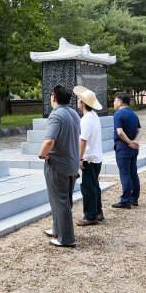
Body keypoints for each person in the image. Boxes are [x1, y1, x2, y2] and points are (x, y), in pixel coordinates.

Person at [39, 84, 81, 247]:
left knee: (60, 200)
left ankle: (66, 239)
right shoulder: (74, 114)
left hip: (58, 164)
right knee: (63, 199)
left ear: (53, 98)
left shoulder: (56, 115)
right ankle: (57, 229)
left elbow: (49, 140)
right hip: (72, 163)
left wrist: (42, 154)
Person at [72, 86, 104, 226]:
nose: (78, 101)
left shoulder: (85, 120)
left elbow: (83, 141)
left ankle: (90, 216)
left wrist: (79, 158)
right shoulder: (94, 116)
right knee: (94, 185)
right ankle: (97, 211)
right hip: (96, 157)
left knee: (88, 187)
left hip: (88, 157)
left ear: (83, 103)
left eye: (79, 100)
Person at [111, 92, 141, 209]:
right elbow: (140, 130)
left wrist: (129, 142)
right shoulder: (134, 114)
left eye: (115, 101)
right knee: (133, 172)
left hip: (123, 147)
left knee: (125, 174)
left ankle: (125, 200)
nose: (113, 103)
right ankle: (134, 198)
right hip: (133, 148)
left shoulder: (118, 114)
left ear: (120, 102)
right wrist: (135, 142)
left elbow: (119, 132)